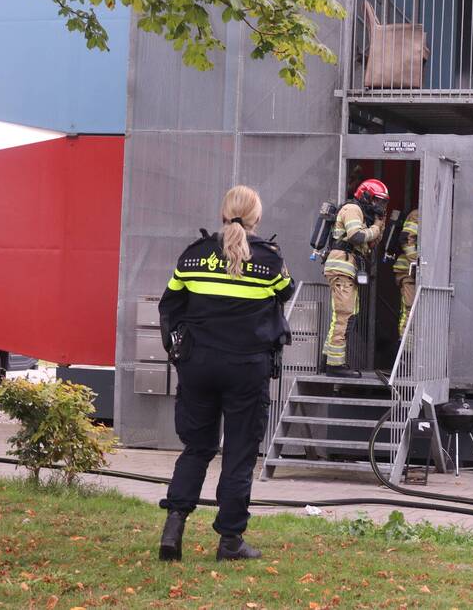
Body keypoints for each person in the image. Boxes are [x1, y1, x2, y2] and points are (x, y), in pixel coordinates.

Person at [156, 185, 293, 562]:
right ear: (256, 218)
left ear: (223, 213)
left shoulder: (193, 256)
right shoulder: (269, 261)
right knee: (239, 453)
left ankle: (173, 528)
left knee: (197, 448)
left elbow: (169, 306)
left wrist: (177, 351)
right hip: (246, 369)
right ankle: (230, 541)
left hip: (198, 365)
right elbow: (286, 291)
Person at [321, 179, 388, 377]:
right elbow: (356, 237)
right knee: (344, 314)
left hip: (348, 269)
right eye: (378, 200)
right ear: (366, 195)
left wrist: (379, 225)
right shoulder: (352, 209)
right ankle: (335, 366)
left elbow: (369, 245)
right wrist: (375, 228)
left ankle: (330, 358)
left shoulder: (362, 215)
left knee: (347, 315)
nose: (380, 205)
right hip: (342, 267)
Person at [391, 208, 419, 338]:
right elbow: (406, 239)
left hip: (419, 271)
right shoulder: (417, 214)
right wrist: (417, 262)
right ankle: (405, 352)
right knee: (410, 310)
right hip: (408, 271)